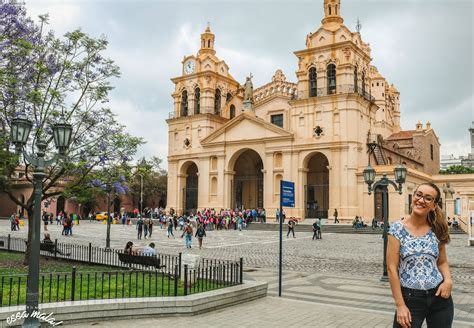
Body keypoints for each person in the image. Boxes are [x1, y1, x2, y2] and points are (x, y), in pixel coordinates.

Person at [387, 183, 453, 328]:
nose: (421, 200)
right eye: (419, 195)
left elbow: (442, 262)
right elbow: (392, 268)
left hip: (439, 297)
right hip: (410, 299)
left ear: (434, 205)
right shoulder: (397, 229)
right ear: (413, 197)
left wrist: (448, 281)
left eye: (428, 198)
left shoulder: (437, 228)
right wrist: (400, 305)